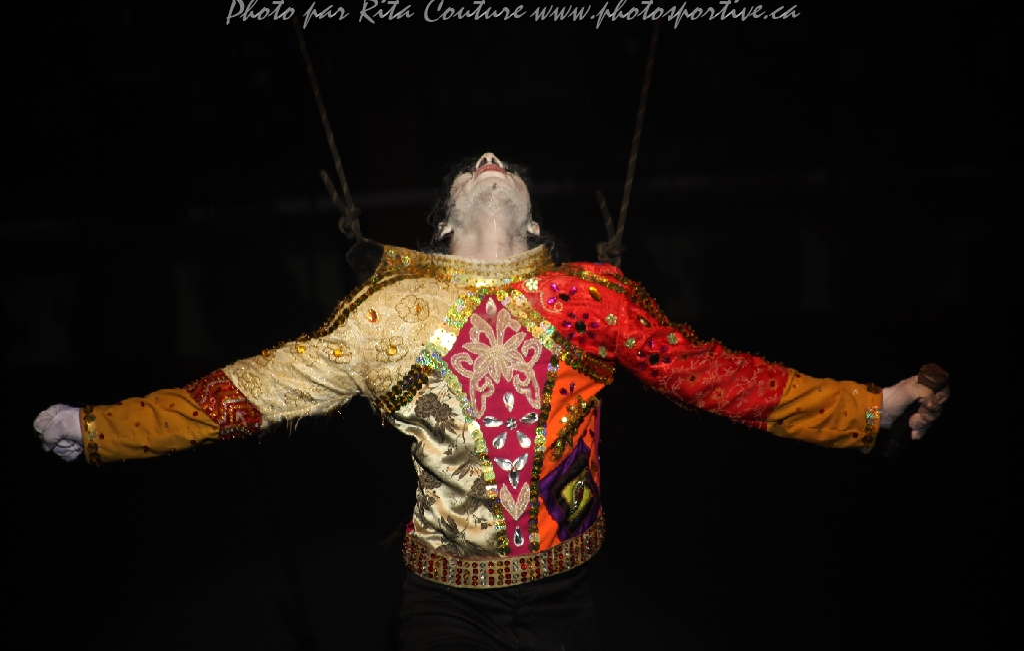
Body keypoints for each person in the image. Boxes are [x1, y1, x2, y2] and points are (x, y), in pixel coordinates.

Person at [34, 152, 948, 650]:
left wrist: (867, 408)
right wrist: (104, 430)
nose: (491, 156)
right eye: (473, 166)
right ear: (446, 220)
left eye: (506, 164)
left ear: (533, 219)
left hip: (565, 600)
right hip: (444, 604)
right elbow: (249, 392)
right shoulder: (390, 314)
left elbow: (714, 374)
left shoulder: (591, 298)